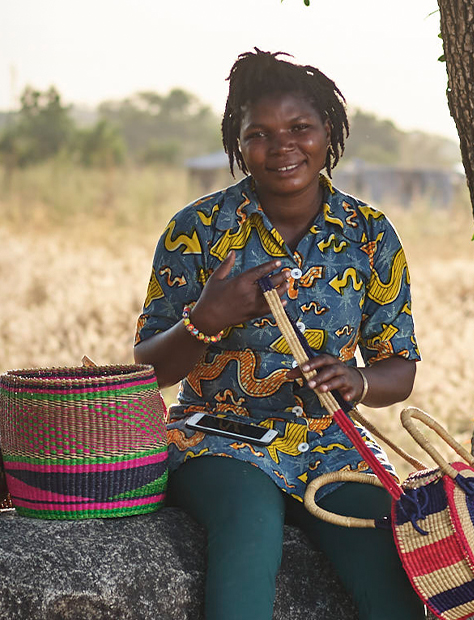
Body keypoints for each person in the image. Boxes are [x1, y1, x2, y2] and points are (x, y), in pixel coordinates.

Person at [134, 49, 424, 620]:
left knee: (389, 558)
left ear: (328, 132)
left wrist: (358, 380)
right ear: (238, 145)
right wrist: (207, 318)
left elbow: (400, 370)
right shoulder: (199, 229)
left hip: (330, 447)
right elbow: (148, 369)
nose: (283, 145)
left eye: (300, 128)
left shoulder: (368, 233)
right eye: (259, 133)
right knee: (249, 528)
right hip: (218, 441)